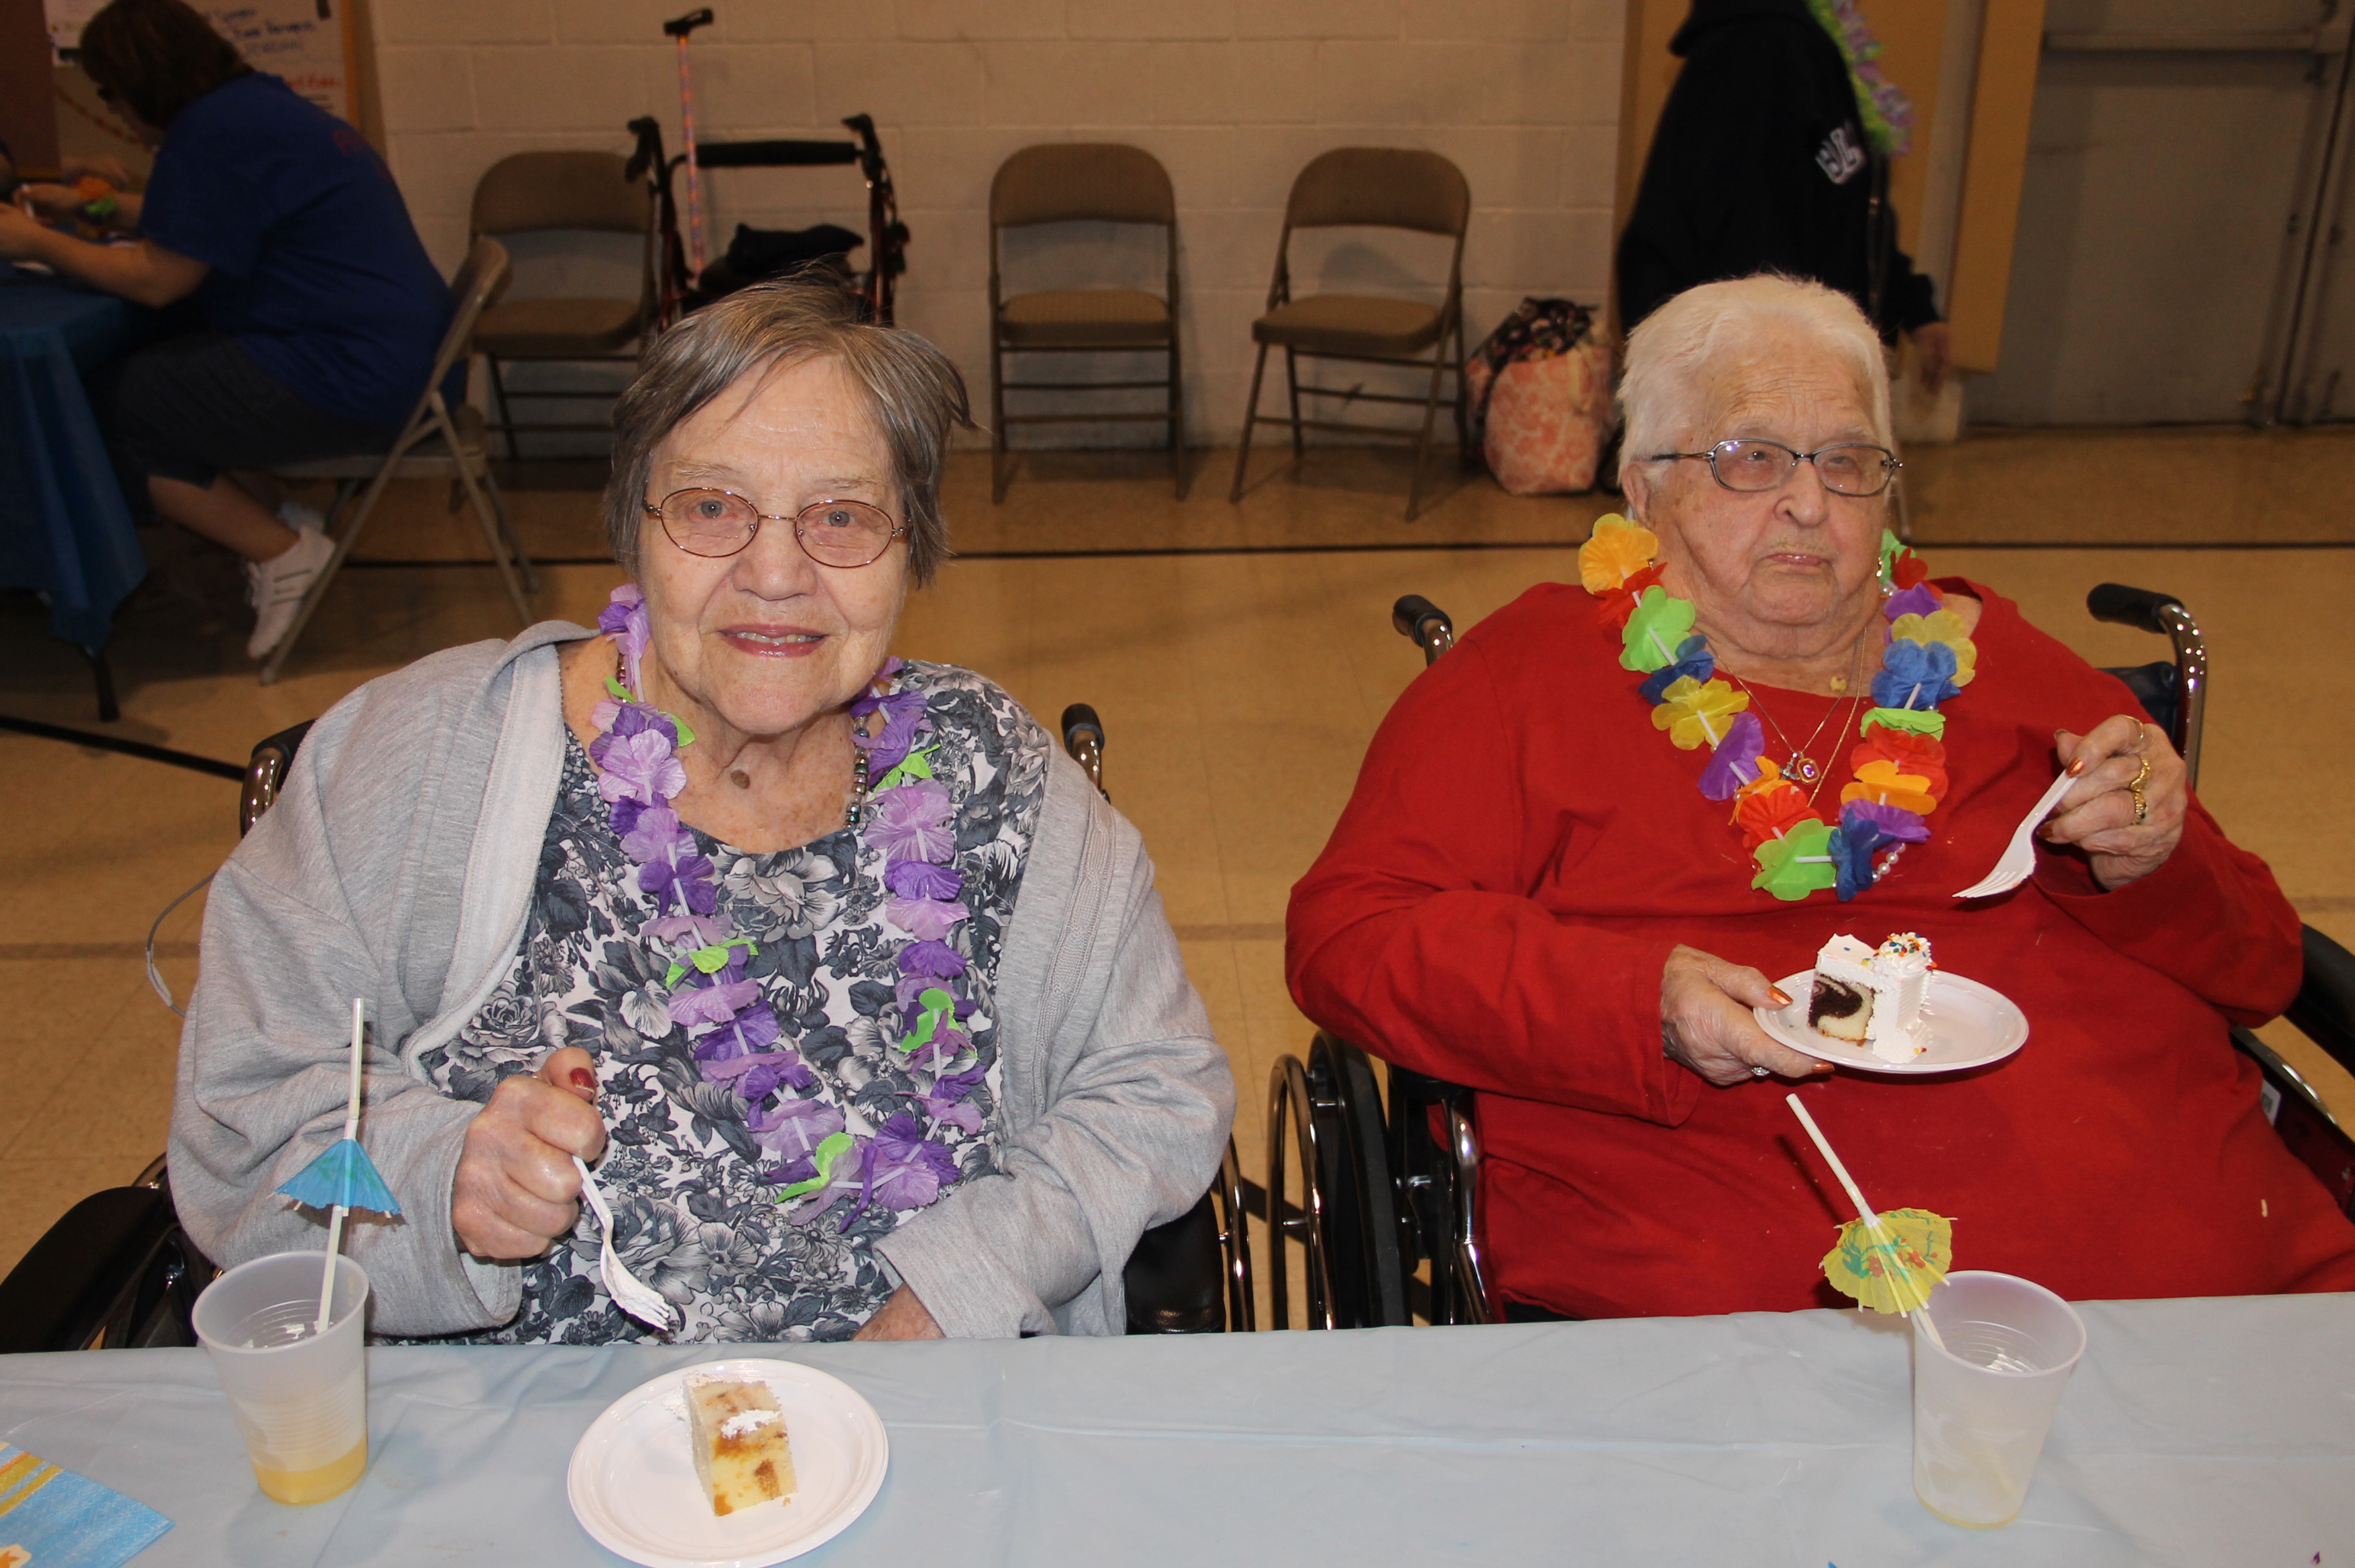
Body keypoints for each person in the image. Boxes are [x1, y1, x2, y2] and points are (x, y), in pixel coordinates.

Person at [171, 280, 1234, 1342]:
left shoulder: (989, 766)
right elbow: (247, 1135)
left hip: (934, 1409)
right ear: (632, 528)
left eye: (842, 516)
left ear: (911, 549)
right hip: (519, 1419)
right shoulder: (425, 755)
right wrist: (437, 1179)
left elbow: (1156, 1083)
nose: (775, 573)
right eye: (712, 507)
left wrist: (961, 1291)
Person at [1287, 274, 2355, 1320]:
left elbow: (2263, 963)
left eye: (1847, 461)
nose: (1808, 501)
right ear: (1642, 489)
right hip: (1741, 1278)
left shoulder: (2016, 670)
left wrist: (2155, 860)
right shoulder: (1522, 679)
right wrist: (1639, 1000)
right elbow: (1351, 934)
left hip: (2191, 1263)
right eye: (1750, 458)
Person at [0, 0, 454, 660]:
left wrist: (35, 240)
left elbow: (158, 278)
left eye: (109, 94)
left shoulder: (212, 131)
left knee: (103, 410)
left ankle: (281, 552)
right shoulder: (252, 107)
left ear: (138, 84)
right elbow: (208, 215)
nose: (113, 110)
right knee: (170, 373)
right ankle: (275, 520)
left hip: (350, 375)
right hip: (394, 359)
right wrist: (94, 208)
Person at [1617, 0, 1952, 393]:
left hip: (1786, 356)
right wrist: (1781, 380)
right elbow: (1746, 234)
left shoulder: (1809, 41)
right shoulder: (1762, 43)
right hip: (1752, 370)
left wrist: (1914, 307)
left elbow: (1844, 208)